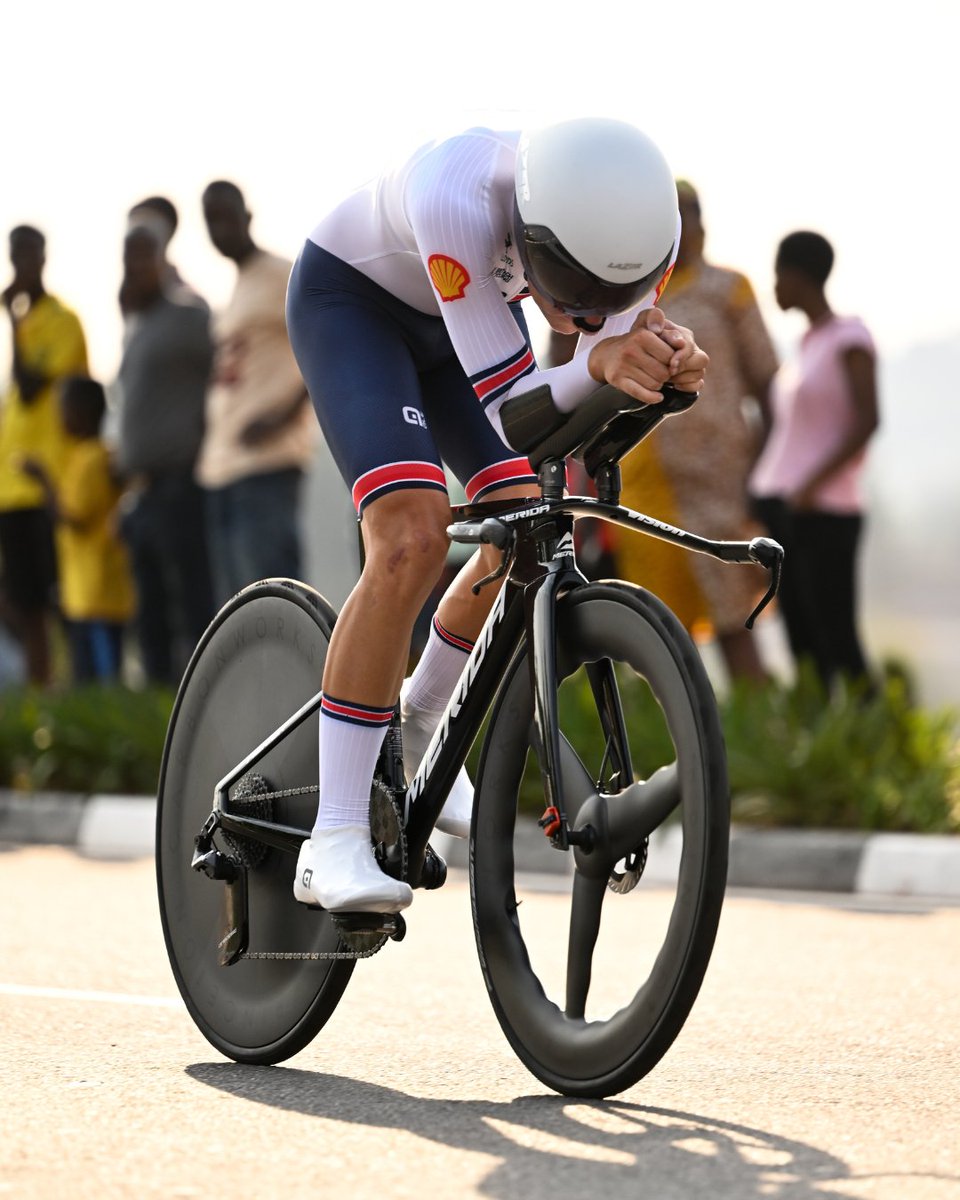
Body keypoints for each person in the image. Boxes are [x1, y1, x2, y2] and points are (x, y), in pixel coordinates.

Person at [284, 117, 708, 913]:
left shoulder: (641, 229)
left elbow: (602, 368)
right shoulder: (457, 196)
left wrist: (664, 366)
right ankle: (331, 836)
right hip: (355, 308)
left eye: (609, 300)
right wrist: (601, 360)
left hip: (463, 314)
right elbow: (517, 411)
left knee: (527, 535)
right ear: (535, 239)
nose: (589, 316)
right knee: (410, 538)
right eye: (574, 298)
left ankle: (420, 721)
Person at [614, 180, 779, 682]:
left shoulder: (728, 290)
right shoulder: (629, 296)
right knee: (660, 631)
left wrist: (764, 476)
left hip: (720, 484)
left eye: (690, 216)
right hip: (646, 486)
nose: (686, 230)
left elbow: (768, 385)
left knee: (735, 619)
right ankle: (679, 728)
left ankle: (754, 726)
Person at [749, 230, 879, 690]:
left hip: (824, 512)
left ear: (797, 275)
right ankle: (819, 727)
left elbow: (867, 420)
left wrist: (811, 485)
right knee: (802, 639)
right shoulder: (807, 344)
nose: (774, 287)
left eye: (778, 275)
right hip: (787, 509)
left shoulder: (849, 338)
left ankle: (870, 726)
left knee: (837, 637)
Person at [197, 181, 316, 605]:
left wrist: (282, 416)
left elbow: (323, 343)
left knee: (273, 602)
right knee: (235, 612)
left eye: (225, 216)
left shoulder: (282, 273)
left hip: (267, 462)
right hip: (222, 466)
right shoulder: (237, 288)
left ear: (246, 216)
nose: (219, 229)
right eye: (210, 220)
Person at [115, 223, 216, 686]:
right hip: (141, 490)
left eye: (143, 256)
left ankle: (197, 696)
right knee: (150, 607)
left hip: (180, 482)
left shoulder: (189, 316)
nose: (133, 267)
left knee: (189, 601)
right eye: (127, 257)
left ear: (162, 261)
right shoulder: (137, 325)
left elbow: (219, 376)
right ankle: (158, 701)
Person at [0, 226, 88, 685]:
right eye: (15, 255)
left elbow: (32, 386)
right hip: (12, 491)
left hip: (50, 483)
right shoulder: (27, 320)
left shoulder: (62, 320)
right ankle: (43, 691)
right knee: (26, 601)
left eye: (29, 254)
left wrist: (11, 321)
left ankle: (79, 686)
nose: (22, 264)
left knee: (59, 597)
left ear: (43, 257)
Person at [20, 376, 134, 683]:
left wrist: (43, 480)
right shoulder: (86, 456)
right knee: (87, 673)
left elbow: (73, 517)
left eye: (63, 408)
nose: (59, 416)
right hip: (87, 589)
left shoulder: (92, 459)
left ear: (82, 411)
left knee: (103, 675)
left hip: (97, 589)